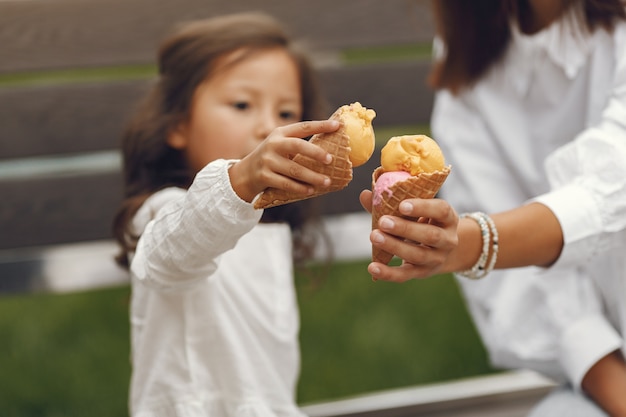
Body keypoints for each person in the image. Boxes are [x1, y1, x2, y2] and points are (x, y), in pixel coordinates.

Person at [360, 0, 626, 416]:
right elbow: (522, 284)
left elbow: (615, 184)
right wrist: (610, 381)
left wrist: (474, 241)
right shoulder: (470, 51)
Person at [111, 12, 338, 416]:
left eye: (286, 114)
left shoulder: (268, 229)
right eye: (242, 104)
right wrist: (239, 182)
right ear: (177, 123)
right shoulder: (164, 212)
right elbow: (170, 254)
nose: (268, 127)